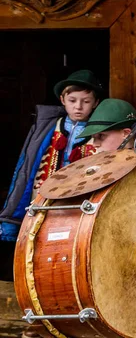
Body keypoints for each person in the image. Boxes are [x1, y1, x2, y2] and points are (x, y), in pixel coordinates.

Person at [0, 69, 102, 244]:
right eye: (72, 100)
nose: (78, 106)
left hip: (79, 200)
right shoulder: (47, 128)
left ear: (95, 103)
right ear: (62, 100)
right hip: (42, 198)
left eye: (86, 101)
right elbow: (26, 168)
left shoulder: (100, 132)